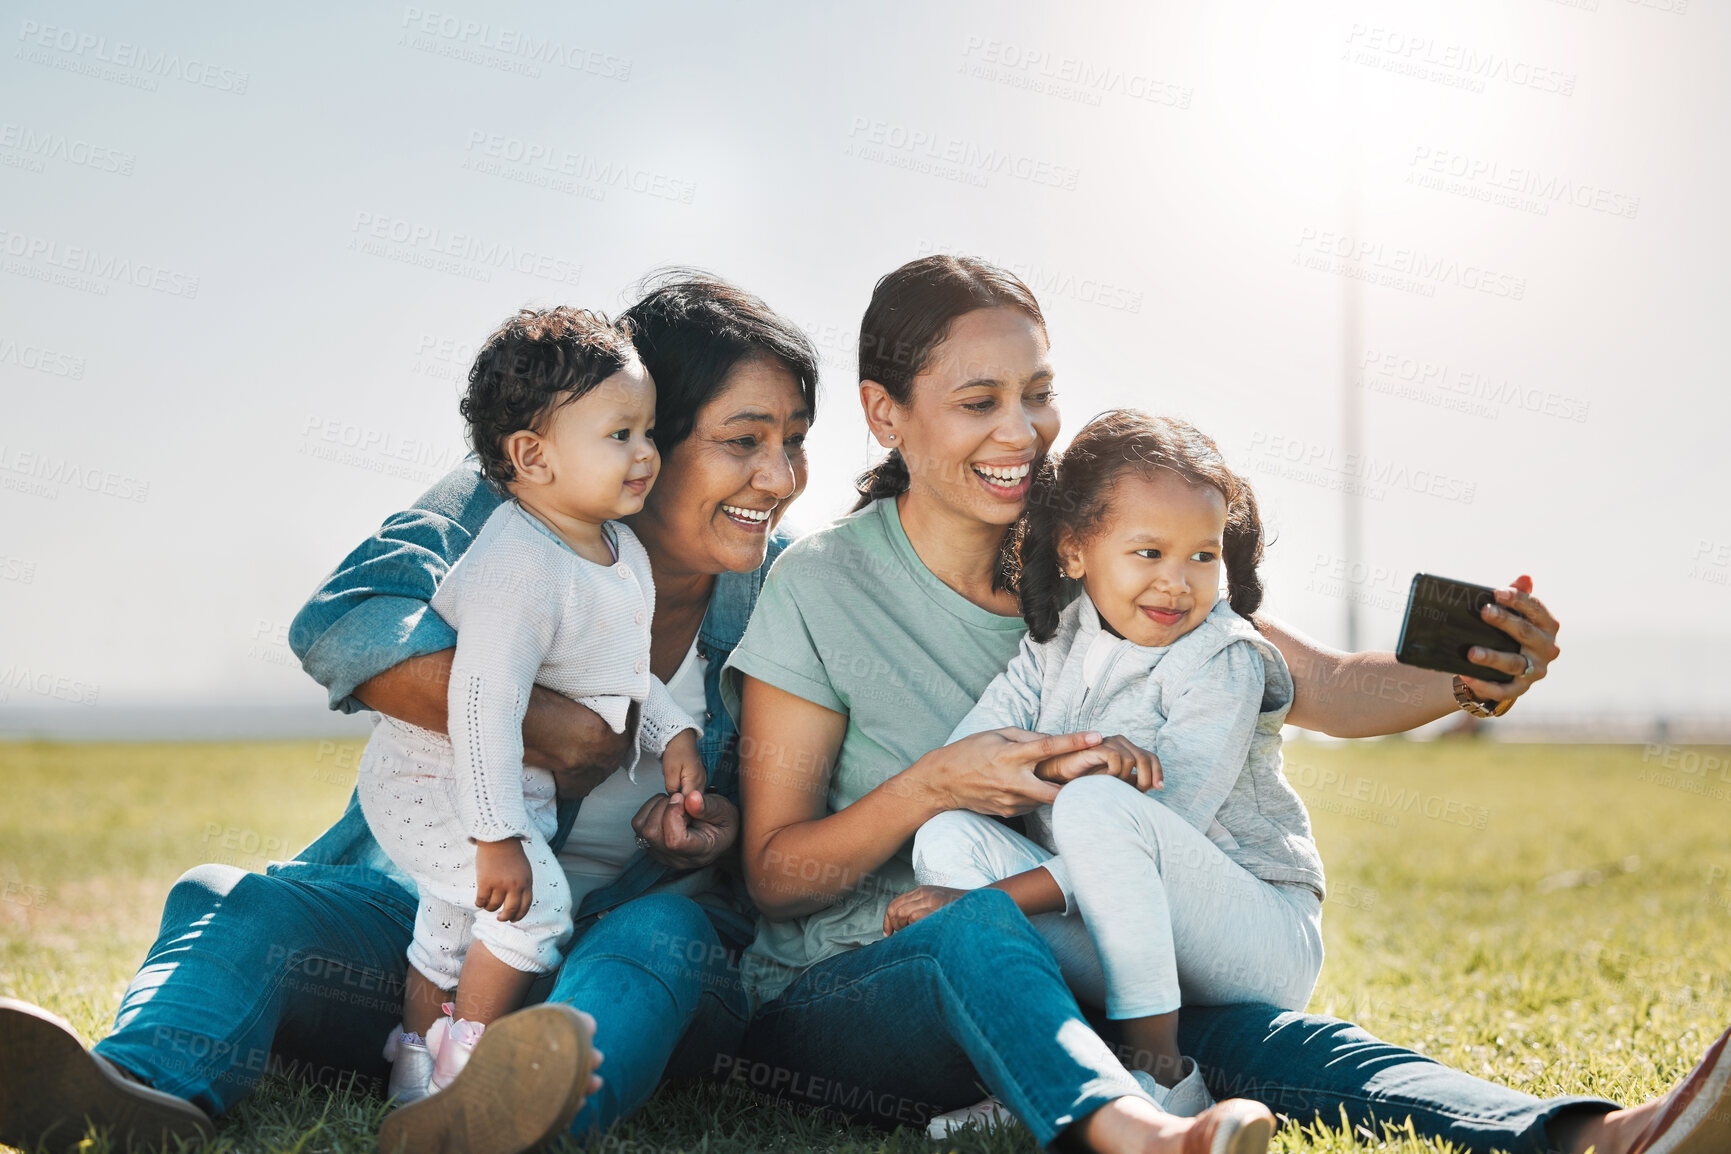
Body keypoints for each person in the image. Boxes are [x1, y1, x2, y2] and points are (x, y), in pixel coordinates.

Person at [724, 253, 1730, 1154]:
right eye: (979, 400)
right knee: (974, 930)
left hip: (1073, 954)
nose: (1022, 432)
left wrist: (1470, 669)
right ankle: (1136, 1132)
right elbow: (776, 877)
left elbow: (1318, 680)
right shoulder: (824, 583)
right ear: (886, 412)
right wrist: (936, 783)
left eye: (1037, 393)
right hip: (863, 984)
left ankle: (1595, 1135)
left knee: (1257, 1036)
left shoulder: (1104, 551)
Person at [0, 272, 819, 1154]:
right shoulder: (513, 498)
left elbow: (778, 843)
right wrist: (550, 727)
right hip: (446, 935)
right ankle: (136, 1092)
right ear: (640, 433)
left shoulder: (786, 590)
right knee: (233, 899)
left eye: (796, 443)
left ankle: (509, 1114)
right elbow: (346, 621)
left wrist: (712, 831)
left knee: (667, 934)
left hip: (616, 967)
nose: (779, 479)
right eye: (743, 442)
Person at [898, 410, 1325, 1123]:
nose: (1177, 583)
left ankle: (1159, 1072)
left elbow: (1153, 841)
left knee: (1098, 807)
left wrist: (991, 903)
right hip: (1116, 919)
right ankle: (1051, 1071)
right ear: (1074, 551)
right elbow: (971, 762)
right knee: (945, 834)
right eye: (1148, 552)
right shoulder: (1054, 643)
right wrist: (1068, 760)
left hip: (1253, 937)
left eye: (1202, 556)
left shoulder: (1223, 658)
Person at [362, 307, 708, 1105]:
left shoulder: (616, 549)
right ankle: (467, 1078)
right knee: (534, 914)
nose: (646, 452)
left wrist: (673, 729)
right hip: (430, 782)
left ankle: (412, 1077)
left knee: (449, 930)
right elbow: (480, 707)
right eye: (618, 434)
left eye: (648, 430)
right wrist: (497, 836)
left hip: (493, 786)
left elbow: (617, 670)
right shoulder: (517, 565)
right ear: (531, 456)